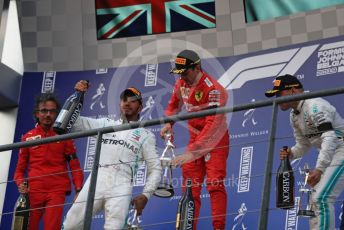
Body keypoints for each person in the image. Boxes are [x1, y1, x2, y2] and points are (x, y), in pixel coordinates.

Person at [63, 82, 162, 230]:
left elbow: (156, 169)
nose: (127, 103)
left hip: (122, 184)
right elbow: (72, 123)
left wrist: (146, 195)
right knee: (70, 226)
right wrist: (78, 95)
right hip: (97, 178)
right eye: (124, 100)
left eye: (132, 100)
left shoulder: (146, 135)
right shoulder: (105, 123)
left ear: (141, 107)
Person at [160, 49, 230, 230]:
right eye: (179, 73)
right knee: (189, 187)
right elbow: (173, 104)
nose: (182, 77)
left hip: (216, 140)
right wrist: (168, 123)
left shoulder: (214, 89)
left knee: (214, 184)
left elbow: (213, 125)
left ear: (197, 67)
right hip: (196, 138)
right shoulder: (181, 84)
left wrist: (192, 152)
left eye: (185, 72)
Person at [265, 74, 344, 230]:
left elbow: (330, 137)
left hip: (341, 148)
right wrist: (291, 153)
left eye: (279, 93)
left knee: (321, 198)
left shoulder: (314, 105)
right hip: (332, 153)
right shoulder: (294, 115)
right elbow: (303, 144)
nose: (276, 97)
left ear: (293, 90)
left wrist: (320, 169)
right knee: (315, 199)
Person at [14, 93, 84, 230]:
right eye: (44, 111)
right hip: (33, 190)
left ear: (57, 113)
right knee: (29, 227)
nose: (48, 114)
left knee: (52, 227)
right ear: (37, 113)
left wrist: (79, 189)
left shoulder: (65, 136)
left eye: (52, 111)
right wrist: (20, 183)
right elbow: (19, 170)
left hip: (56, 190)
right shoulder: (27, 137)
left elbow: (74, 166)